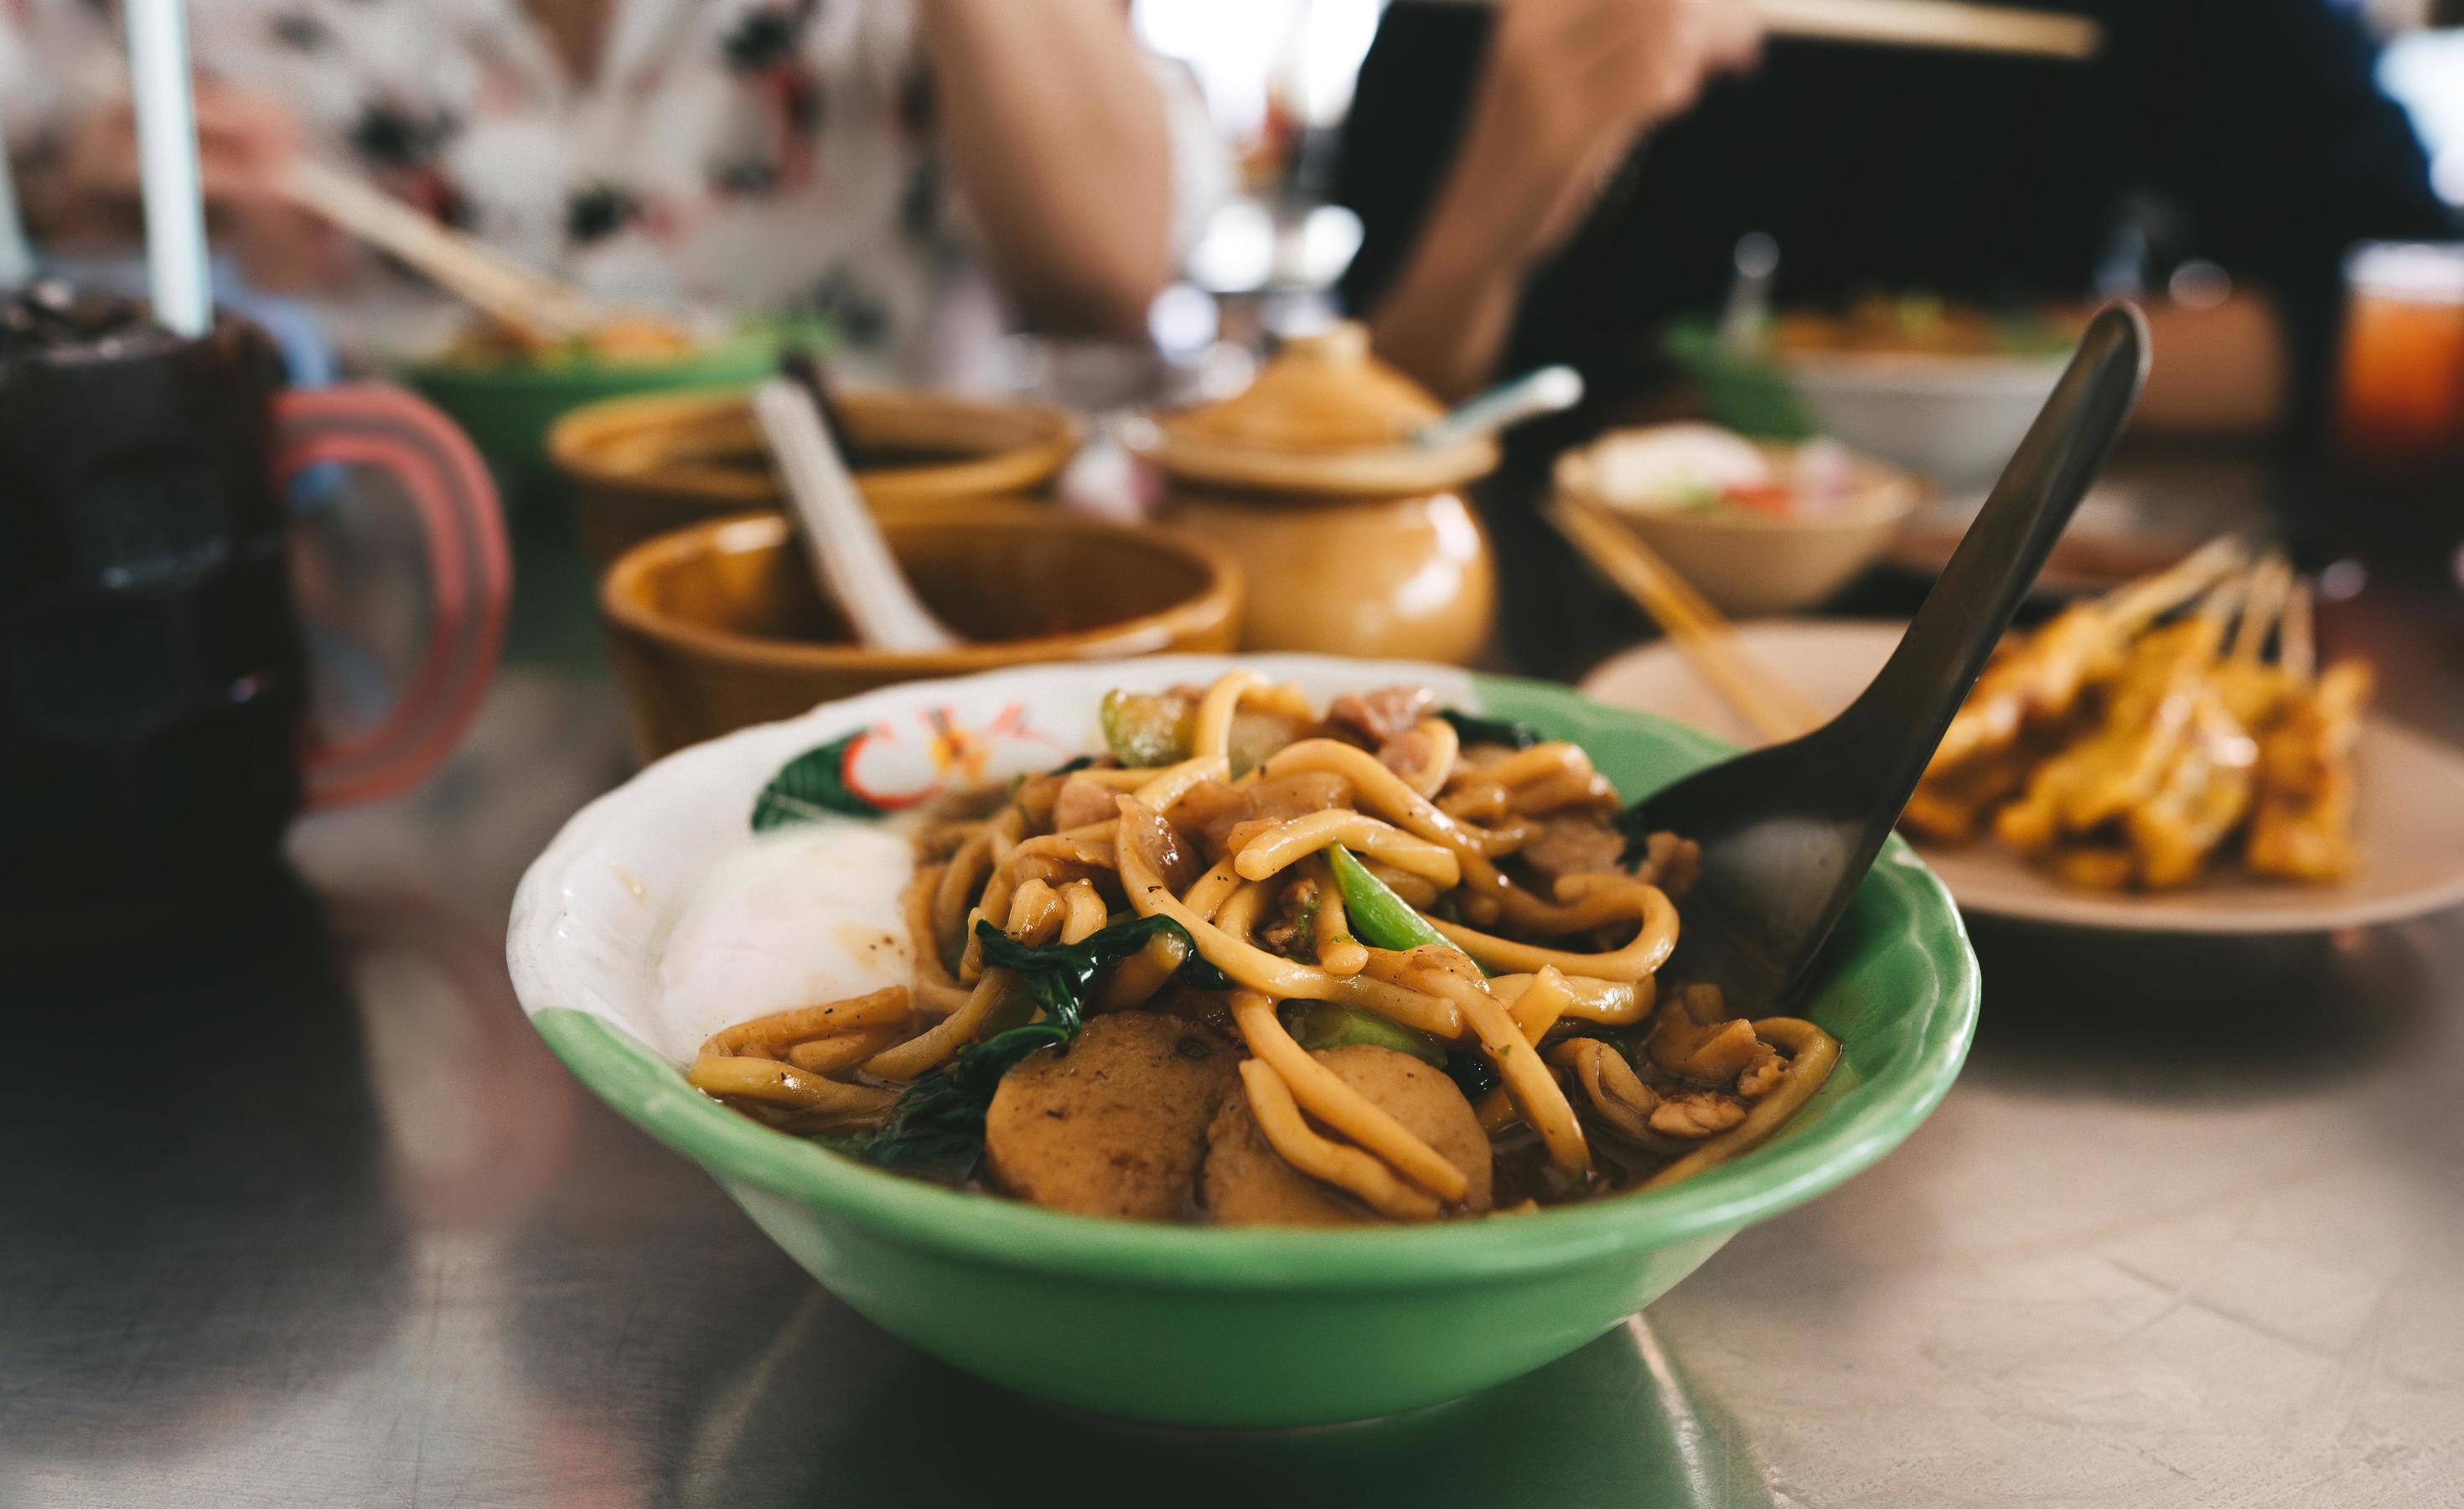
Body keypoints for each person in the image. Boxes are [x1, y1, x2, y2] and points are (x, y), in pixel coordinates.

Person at [1335, 0, 2455, 444]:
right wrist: (1499, 192)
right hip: (1566, 625)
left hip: (2006, 602)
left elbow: (2408, 303)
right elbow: (1379, 409)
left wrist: (1915, 379)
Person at [0, 0, 1224, 376]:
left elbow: (1109, 273)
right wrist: (78, 212)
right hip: (389, 618)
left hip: (869, 616)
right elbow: (41, 174)